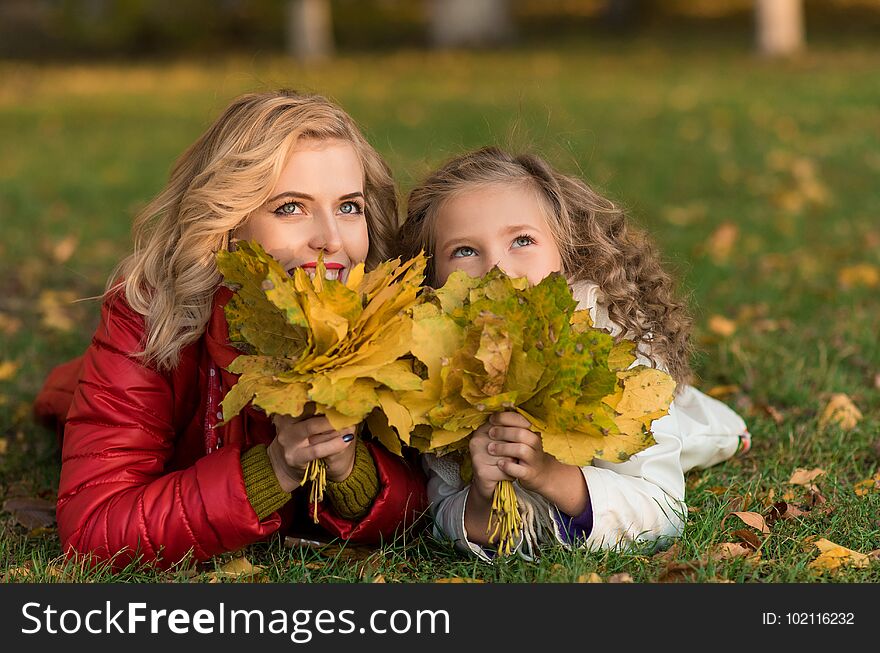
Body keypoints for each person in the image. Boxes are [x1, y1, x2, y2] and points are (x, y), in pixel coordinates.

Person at [33, 90, 427, 570]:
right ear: (228, 224)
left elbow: (425, 495)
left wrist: (351, 472)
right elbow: (94, 525)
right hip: (94, 393)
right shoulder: (147, 318)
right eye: (290, 208)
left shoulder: (384, 316)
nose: (331, 240)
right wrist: (272, 470)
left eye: (348, 207)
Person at [396, 146, 749, 561]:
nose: (498, 270)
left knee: (695, 428)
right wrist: (479, 500)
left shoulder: (613, 342)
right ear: (433, 278)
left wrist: (553, 477)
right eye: (465, 251)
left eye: (522, 240)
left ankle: (727, 430)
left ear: (567, 253)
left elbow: (662, 512)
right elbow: (444, 506)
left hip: (659, 421)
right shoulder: (433, 365)